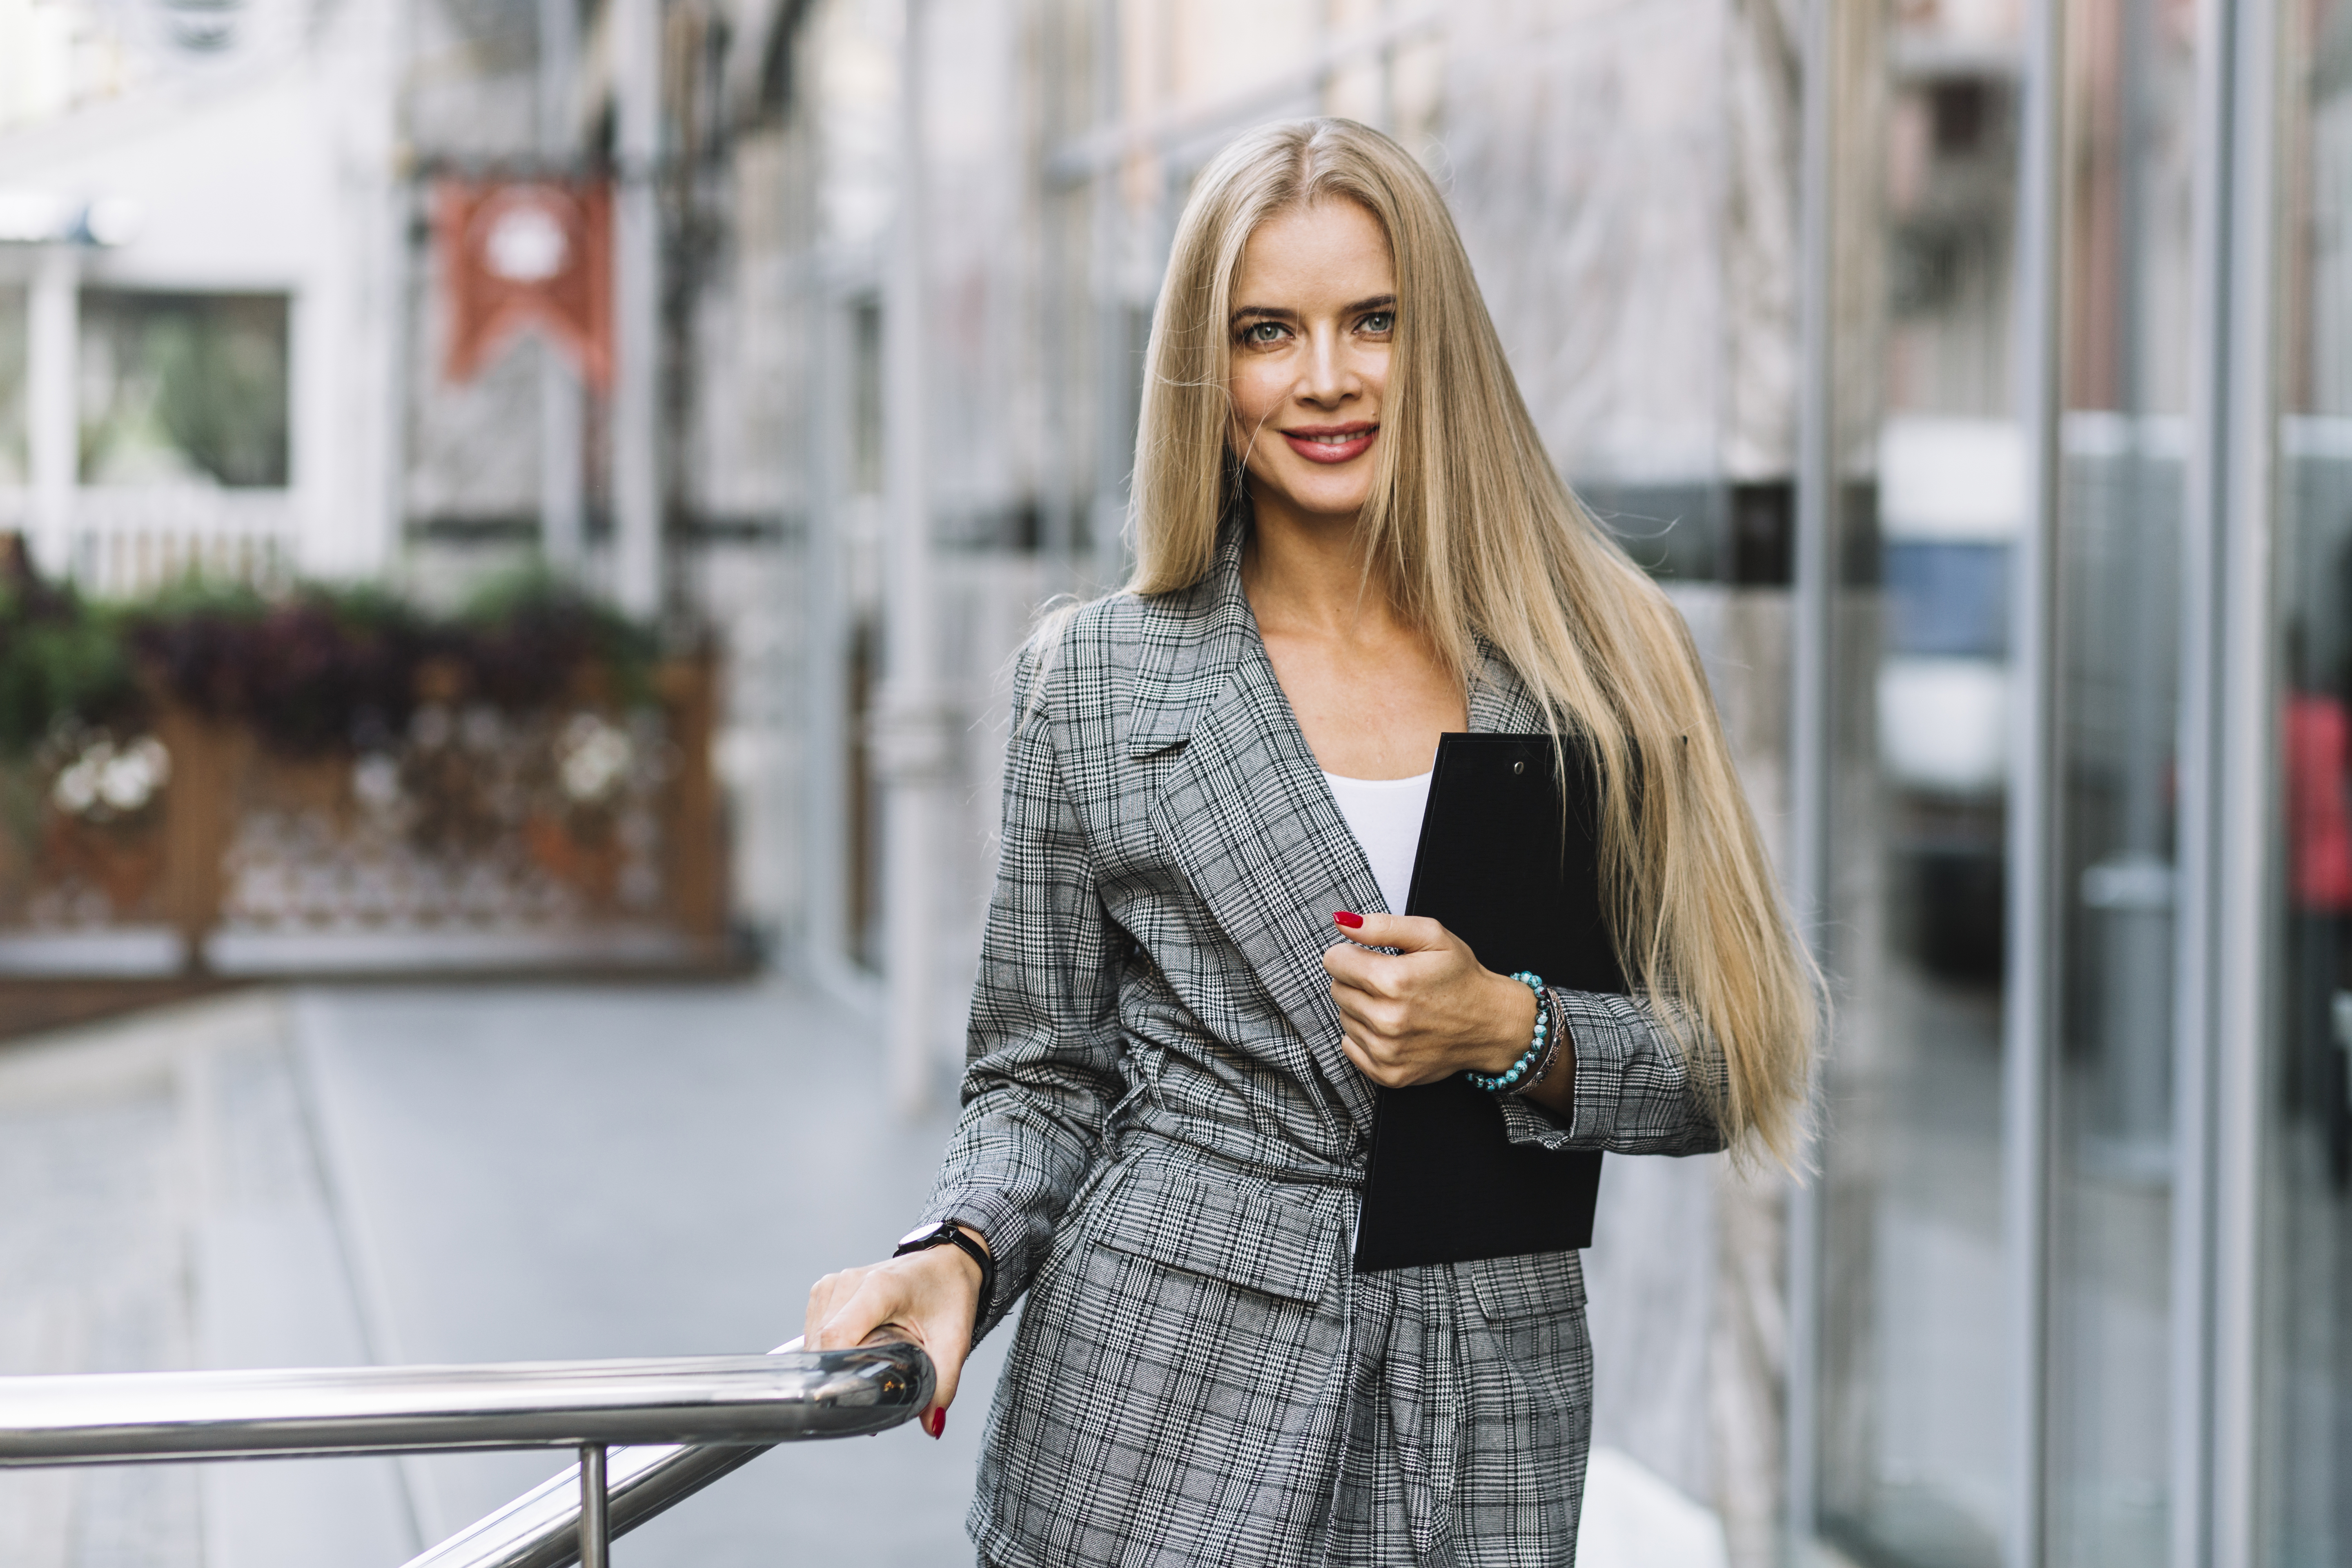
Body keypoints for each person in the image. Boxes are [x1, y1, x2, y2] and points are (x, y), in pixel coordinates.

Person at [806, 117, 1815, 1566]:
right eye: (1269, 332)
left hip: (1484, 1409)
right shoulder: (1095, 678)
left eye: (1374, 323)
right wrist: (955, 1250)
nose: (1326, 378)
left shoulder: (1603, 658)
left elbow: (1730, 1058)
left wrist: (1508, 1029)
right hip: (1154, 1408)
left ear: (1442, 342)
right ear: (1209, 375)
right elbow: (1040, 1074)